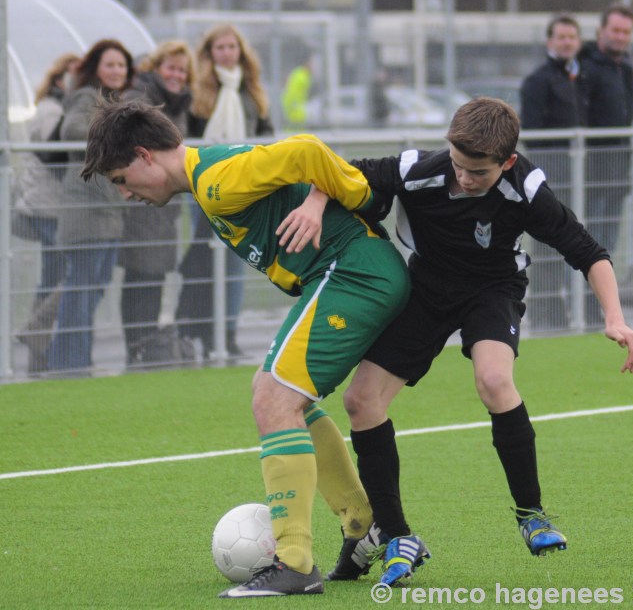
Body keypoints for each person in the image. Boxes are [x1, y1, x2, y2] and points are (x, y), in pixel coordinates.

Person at [297, 97, 633, 586]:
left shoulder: (526, 188)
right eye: (458, 165)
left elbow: (588, 252)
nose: (463, 178)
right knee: (360, 400)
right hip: (426, 289)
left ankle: (532, 515)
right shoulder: (422, 169)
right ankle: (397, 535)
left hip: (492, 289)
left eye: (477, 172)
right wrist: (315, 203)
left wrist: (615, 317)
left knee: (495, 379)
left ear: (505, 162)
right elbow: (339, 173)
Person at [80, 99, 411, 597]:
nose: (127, 193)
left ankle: (295, 563)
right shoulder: (208, 181)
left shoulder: (217, 181)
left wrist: (349, 197)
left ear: (146, 156)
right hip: (350, 272)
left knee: (273, 399)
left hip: (354, 271)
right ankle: (362, 523)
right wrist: (319, 201)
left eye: (123, 178)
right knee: (277, 394)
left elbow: (306, 148)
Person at [176, 24, 275, 358]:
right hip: (205, 186)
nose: (226, 52)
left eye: (232, 46)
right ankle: (203, 332)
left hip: (244, 186)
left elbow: (267, 135)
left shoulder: (252, 92)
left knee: (236, 261)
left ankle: (228, 332)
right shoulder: (197, 92)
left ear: (241, 51)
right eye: (219, 47)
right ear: (209, 52)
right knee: (204, 260)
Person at [46, 39, 133, 372]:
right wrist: (115, 137)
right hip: (86, 211)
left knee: (91, 290)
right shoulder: (86, 97)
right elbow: (72, 129)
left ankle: (70, 359)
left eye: (121, 65)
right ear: (96, 67)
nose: (116, 71)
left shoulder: (114, 101)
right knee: (80, 291)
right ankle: (70, 363)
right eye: (109, 64)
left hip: (107, 212)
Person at [119, 40, 195, 366]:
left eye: (182, 69)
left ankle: (144, 346)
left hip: (165, 203)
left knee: (154, 275)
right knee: (141, 274)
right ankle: (137, 345)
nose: (176, 75)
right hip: (141, 199)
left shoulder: (177, 104)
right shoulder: (141, 97)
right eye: (171, 68)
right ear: (156, 67)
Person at [13, 52, 80, 373]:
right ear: (58, 80)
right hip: (46, 207)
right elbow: (53, 155)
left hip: (56, 206)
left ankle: (39, 346)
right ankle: (37, 346)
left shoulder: (61, 109)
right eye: (72, 76)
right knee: (58, 275)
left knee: (57, 275)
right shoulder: (50, 110)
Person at [520, 14, 586, 330]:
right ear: (550, 42)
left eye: (572, 37)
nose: (567, 43)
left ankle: (564, 312)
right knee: (547, 245)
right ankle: (547, 315)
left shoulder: (577, 79)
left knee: (569, 242)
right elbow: (532, 132)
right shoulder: (538, 81)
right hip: (551, 179)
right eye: (561, 37)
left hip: (576, 177)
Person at [578, 2, 633, 325]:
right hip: (590, 171)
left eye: (626, 32)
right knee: (590, 243)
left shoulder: (626, 68)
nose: (620, 37)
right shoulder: (586, 67)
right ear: (602, 31)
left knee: (608, 241)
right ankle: (585, 313)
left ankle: (601, 311)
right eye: (615, 30)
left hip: (619, 169)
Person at [281, 52, 313, 131]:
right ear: (306, 63)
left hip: (294, 108)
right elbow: (293, 93)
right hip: (295, 110)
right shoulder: (302, 76)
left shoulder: (298, 73)